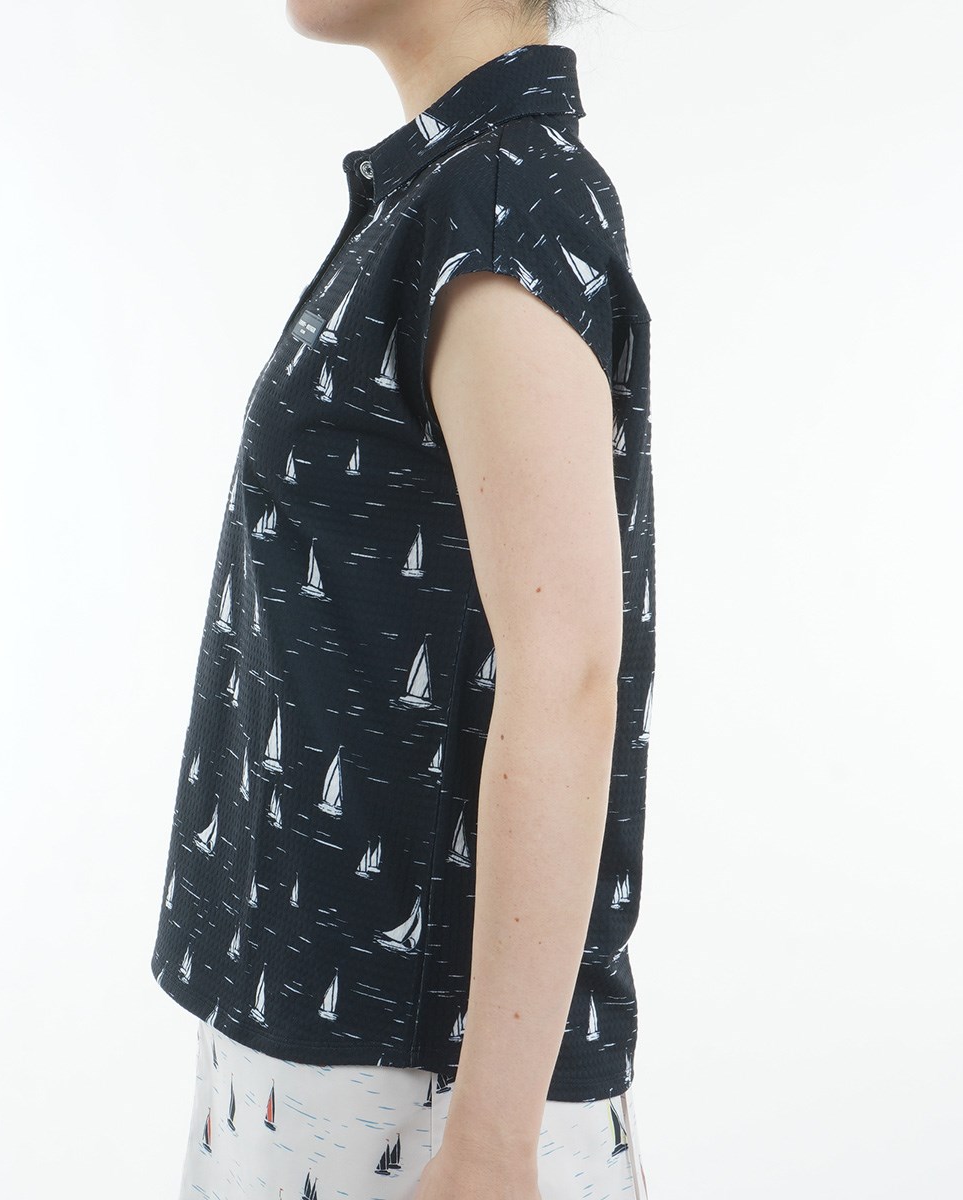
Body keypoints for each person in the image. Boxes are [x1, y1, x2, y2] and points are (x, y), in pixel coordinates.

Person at [152, 3, 656, 1198]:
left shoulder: (499, 200)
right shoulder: (450, 189)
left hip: (420, 1089)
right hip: (336, 1043)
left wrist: (491, 1144)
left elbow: (567, 671)